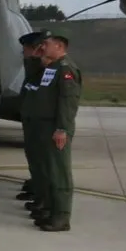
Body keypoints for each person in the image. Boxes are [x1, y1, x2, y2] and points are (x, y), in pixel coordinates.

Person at [26, 34, 80, 232]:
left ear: (58, 46)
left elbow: (68, 102)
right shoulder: (51, 67)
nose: (42, 46)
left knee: (59, 173)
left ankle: (62, 217)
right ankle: (50, 210)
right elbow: (33, 83)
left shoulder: (66, 69)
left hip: (55, 127)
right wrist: (35, 58)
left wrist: (62, 129)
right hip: (44, 126)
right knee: (48, 170)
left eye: (46, 44)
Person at [16, 30, 50, 216]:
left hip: (41, 122)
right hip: (32, 119)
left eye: (27, 49)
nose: (24, 53)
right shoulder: (35, 66)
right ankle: (37, 190)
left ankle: (43, 198)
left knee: (43, 161)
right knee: (34, 157)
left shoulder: (46, 68)